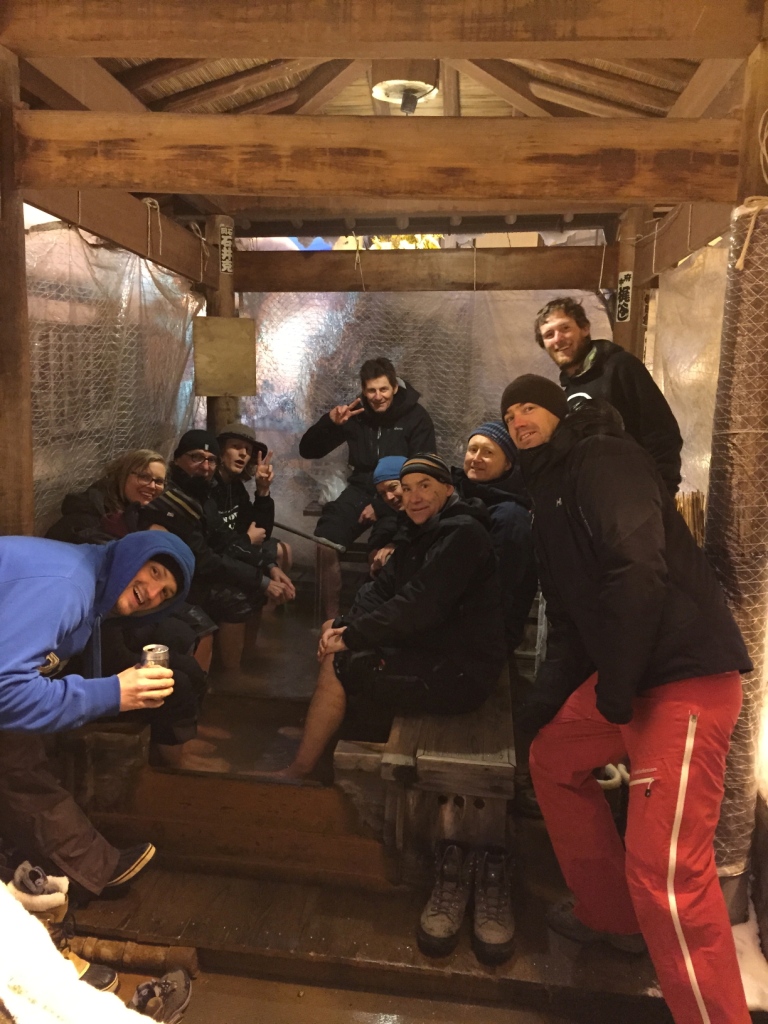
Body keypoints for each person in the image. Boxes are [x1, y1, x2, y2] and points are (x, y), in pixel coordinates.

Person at [501, 373, 752, 1024]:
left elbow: (637, 563)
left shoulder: (603, 457)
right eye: (508, 411)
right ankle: (609, 914)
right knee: (554, 756)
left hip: (680, 675)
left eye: (530, 404)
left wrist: (616, 685)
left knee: (668, 878)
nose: (517, 416)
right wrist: (540, 707)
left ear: (559, 415)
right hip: (629, 677)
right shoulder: (546, 491)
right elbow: (567, 614)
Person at [260, 453, 505, 774]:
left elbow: (418, 605)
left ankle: (301, 767)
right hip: (432, 645)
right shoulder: (423, 528)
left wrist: (351, 635)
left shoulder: (463, 535)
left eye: (424, 486)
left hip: (460, 670)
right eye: (406, 488)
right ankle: (321, 731)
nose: (413, 497)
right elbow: (381, 588)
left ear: (447, 489)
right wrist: (343, 624)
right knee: (335, 632)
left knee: (343, 660)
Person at [0, 531, 194, 901]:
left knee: (21, 748)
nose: (152, 592)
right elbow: (5, 690)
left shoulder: (91, 586)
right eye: (153, 571)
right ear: (131, 556)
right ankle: (88, 868)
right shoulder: (67, 586)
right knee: (16, 750)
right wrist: (112, 693)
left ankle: (80, 865)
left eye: (165, 593)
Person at [46, 450, 215, 769]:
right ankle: (175, 762)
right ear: (122, 475)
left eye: (159, 481)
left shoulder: (140, 515)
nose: (152, 486)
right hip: (87, 639)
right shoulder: (86, 527)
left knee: (184, 644)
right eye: (144, 477)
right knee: (174, 681)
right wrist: (112, 691)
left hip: (110, 619)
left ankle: (180, 736)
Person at [299, 357, 436, 617]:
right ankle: (332, 619)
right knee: (324, 545)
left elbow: (424, 467)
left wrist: (382, 505)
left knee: (383, 554)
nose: (378, 396)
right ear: (363, 390)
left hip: (401, 495)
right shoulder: (356, 415)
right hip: (361, 488)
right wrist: (329, 422)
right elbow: (308, 451)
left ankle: (380, 621)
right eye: (371, 390)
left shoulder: (416, 417)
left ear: (395, 387)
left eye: (383, 389)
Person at [140, 430, 283, 672]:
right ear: (177, 460)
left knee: (266, 567)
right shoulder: (178, 498)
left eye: (210, 459)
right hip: (183, 575)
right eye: (196, 457)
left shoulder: (212, 491)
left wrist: (267, 566)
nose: (205, 466)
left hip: (209, 561)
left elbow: (238, 536)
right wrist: (259, 574)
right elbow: (207, 557)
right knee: (236, 597)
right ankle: (231, 677)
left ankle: (246, 656)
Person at [534, 297, 683, 493]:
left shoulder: (620, 367)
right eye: (549, 334)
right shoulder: (568, 390)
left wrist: (661, 492)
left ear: (585, 328)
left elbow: (662, 433)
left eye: (565, 328)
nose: (558, 339)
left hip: (637, 496)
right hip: (597, 499)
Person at [211, 421, 295, 602]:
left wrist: (263, 491)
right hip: (221, 556)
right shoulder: (210, 487)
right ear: (220, 450)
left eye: (248, 450)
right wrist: (248, 540)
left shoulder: (235, 486)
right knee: (252, 592)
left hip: (238, 546)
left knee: (282, 550)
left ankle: (268, 613)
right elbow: (217, 545)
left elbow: (261, 531)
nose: (243, 453)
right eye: (236, 447)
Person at [365, 454, 408, 575]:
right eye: (382, 493)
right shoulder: (394, 517)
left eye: (393, 487)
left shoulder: (433, 512)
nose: (389, 497)